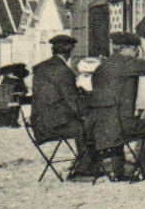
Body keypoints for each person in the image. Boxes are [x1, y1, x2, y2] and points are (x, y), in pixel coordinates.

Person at [89, 32, 145, 181]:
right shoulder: (125, 63)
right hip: (120, 125)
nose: (137, 53)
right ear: (125, 49)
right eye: (135, 50)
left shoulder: (101, 67)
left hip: (99, 126)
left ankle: (119, 169)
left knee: (129, 122)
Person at [31, 35, 98, 178]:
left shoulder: (41, 67)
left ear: (53, 49)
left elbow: (53, 93)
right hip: (55, 125)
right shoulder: (63, 70)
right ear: (70, 51)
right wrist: (87, 108)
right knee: (89, 122)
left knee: (85, 121)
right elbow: (72, 101)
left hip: (39, 122)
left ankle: (85, 162)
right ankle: (85, 167)